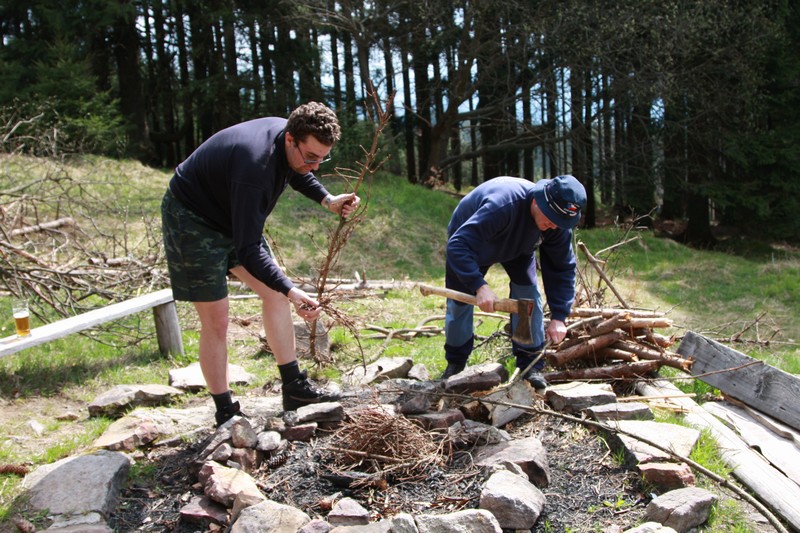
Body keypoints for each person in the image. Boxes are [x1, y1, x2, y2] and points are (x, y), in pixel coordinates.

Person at [161, 102, 359, 426]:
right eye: (312, 157)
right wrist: (293, 289)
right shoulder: (255, 165)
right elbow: (249, 248)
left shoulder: (290, 142)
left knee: (276, 295)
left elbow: (298, 171)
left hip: (231, 213)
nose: (316, 166)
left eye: (323, 159)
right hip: (191, 219)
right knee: (217, 320)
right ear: (290, 139)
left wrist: (328, 200)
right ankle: (225, 411)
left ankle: (294, 387)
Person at [440, 174, 586, 389]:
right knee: (461, 300)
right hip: (471, 243)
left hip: (520, 247)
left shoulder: (556, 225)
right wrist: (480, 286)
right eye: (550, 219)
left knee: (527, 297)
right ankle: (456, 363)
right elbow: (458, 246)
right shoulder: (502, 205)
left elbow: (562, 268)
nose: (554, 226)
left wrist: (559, 316)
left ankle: (529, 365)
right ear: (537, 201)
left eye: (560, 223)